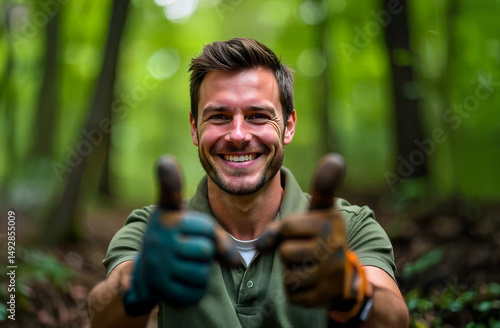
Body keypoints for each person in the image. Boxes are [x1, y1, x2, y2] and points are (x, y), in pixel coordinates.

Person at [88, 38, 409, 328]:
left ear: (288, 126)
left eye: (257, 116)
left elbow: (394, 318)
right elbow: (102, 317)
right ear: (194, 127)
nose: (239, 135)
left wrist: (352, 292)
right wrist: (139, 284)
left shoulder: (350, 226)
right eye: (219, 116)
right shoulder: (153, 231)